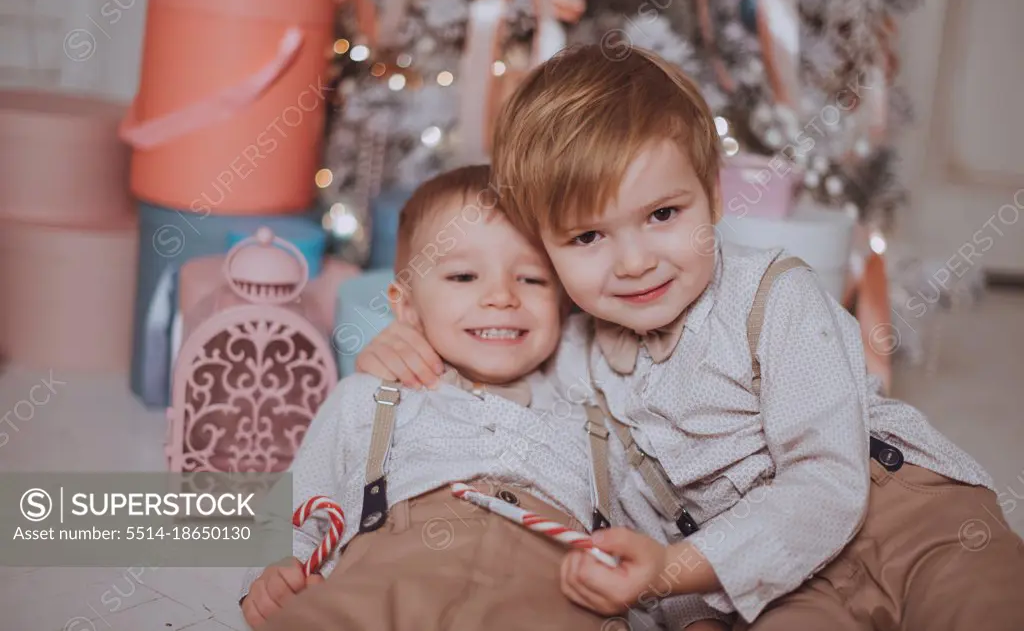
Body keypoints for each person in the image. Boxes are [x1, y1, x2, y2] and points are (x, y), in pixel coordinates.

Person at [354, 45, 1024, 630]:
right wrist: (410, 346)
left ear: (713, 196)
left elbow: (828, 480)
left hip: (902, 514)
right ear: (546, 247)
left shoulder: (772, 295)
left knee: (985, 608)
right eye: (588, 236)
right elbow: (632, 507)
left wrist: (674, 570)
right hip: (779, 585)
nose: (636, 260)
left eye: (663, 214)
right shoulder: (573, 364)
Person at [239, 165, 727, 631]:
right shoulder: (371, 395)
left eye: (531, 279)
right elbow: (294, 508)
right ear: (406, 305)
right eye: (463, 277)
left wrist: (694, 617)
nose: (501, 297)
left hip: (559, 590)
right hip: (384, 574)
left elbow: (654, 541)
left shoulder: (595, 414)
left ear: (563, 301)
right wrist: (271, 569)